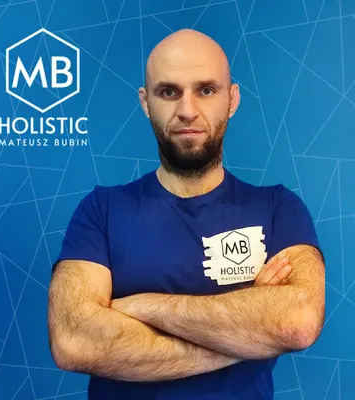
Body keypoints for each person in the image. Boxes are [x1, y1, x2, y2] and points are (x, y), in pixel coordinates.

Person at [47, 29, 325, 399]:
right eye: (168, 92)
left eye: (206, 90)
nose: (188, 110)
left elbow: (297, 322)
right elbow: (74, 339)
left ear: (232, 99)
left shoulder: (278, 209)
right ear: (146, 102)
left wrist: (143, 306)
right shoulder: (101, 210)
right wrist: (247, 332)